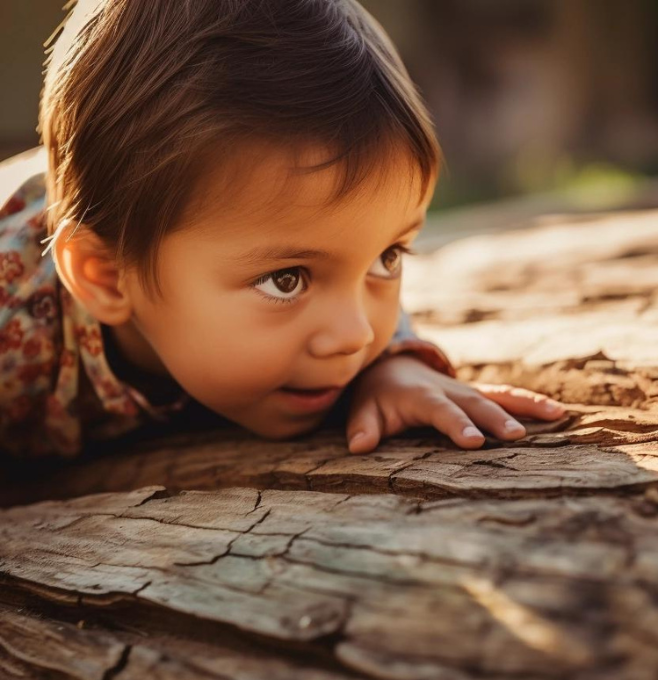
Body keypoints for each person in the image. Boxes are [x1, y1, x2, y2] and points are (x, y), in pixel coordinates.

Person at [0, 0, 567, 461]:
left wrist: (396, 363)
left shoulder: (328, 310)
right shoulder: (12, 325)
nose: (354, 336)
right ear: (107, 277)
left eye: (387, 258)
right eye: (287, 280)